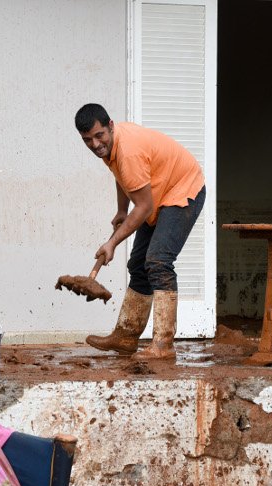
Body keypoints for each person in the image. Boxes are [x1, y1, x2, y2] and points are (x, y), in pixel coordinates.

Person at [75, 103, 206, 361]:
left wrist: (112, 242)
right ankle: (126, 336)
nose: (95, 144)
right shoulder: (111, 146)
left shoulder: (129, 152)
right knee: (138, 265)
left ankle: (164, 344)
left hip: (183, 189)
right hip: (160, 192)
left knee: (158, 261)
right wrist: (122, 210)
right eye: (87, 140)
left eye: (99, 135)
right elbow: (121, 176)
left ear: (110, 126)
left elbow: (144, 206)